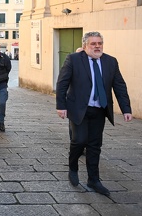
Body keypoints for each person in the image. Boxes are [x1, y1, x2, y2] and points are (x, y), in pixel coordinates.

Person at [56, 31, 132, 196]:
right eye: (93, 44)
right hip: (78, 109)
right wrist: (61, 106)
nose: (97, 46)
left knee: (95, 146)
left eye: (100, 43)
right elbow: (62, 83)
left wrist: (126, 108)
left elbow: (119, 85)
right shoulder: (74, 60)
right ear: (85, 46)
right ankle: (73, 166)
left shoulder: (110, 62)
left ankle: (94, 179)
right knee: (79, 140)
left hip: (99, 110)